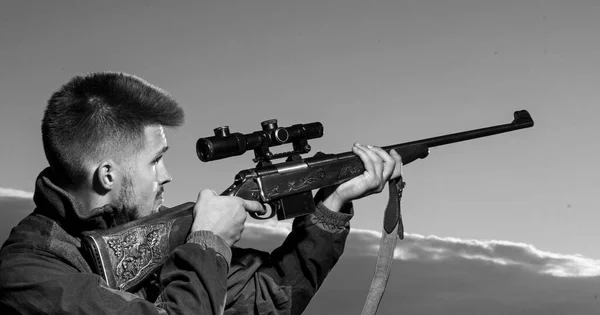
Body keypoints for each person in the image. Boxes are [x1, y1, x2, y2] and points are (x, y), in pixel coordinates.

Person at [0, 72, 403, 314]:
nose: (168, 175)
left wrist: (332, 207)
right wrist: (208, 244)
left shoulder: (155, 239)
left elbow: (269, 302)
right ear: (107, 175)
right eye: (156, 160)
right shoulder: (27, 275)